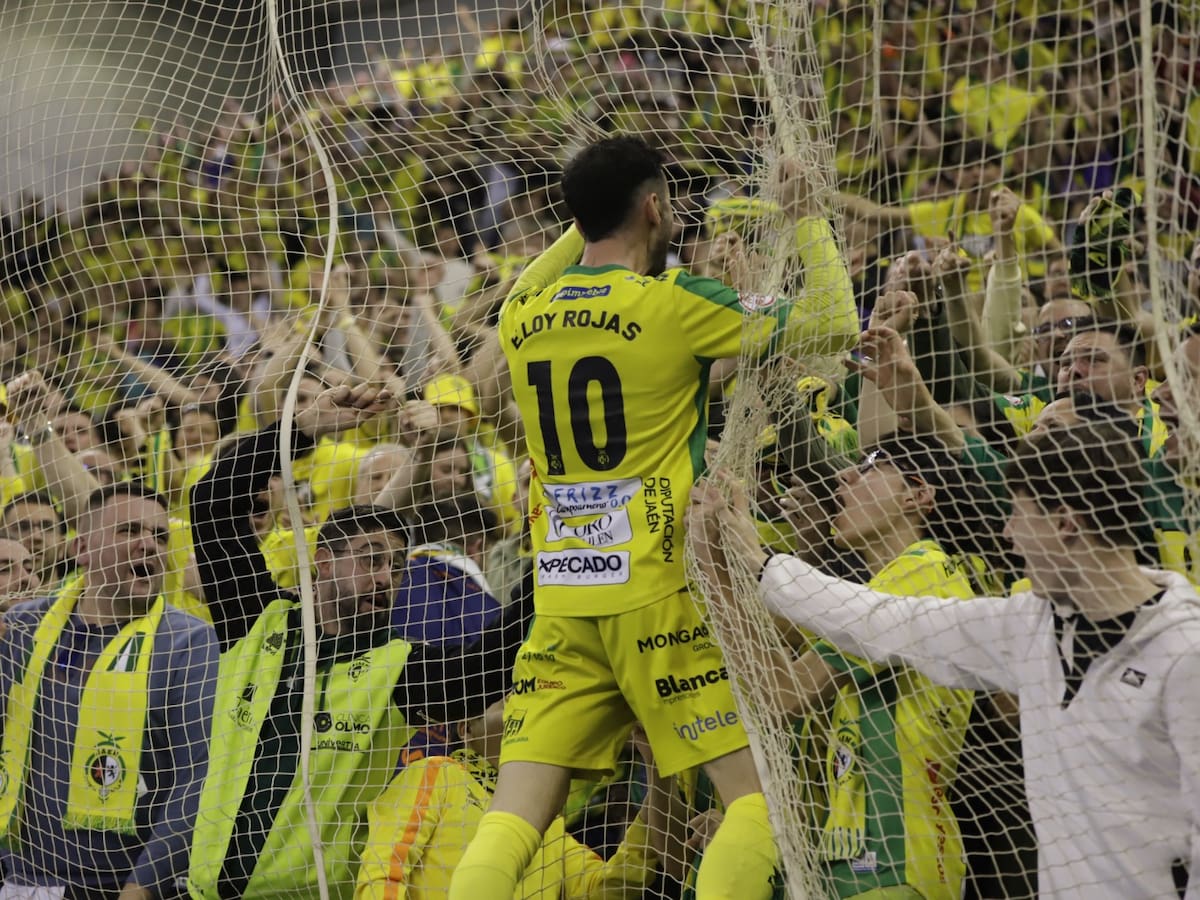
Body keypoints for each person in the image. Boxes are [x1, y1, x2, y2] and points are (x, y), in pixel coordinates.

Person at [450, 134, 816, 900]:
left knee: (510, 822)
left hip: (562, 596)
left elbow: (538, 279)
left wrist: (589, 212)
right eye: (667, 202)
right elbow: (832, 320)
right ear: (654, 207)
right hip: (658, 588)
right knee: (758, 801)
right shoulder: (676, 304)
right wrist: (807, 220)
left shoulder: (522, 316)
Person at [691, 421, 1200, 899]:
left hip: (903, 859)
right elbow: (882, 619)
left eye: (1020, 515)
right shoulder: (1027, 625)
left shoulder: (1185, 652)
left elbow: (786, 688)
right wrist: (759, 564)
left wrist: (733, 568)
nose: (1008, 536)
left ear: (1065, 523)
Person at [186, 381, 533, 899]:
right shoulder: (254, 619)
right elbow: (213, 500)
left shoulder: (396, 666)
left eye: (396, 567)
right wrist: (298, 432)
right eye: (371, 558)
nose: (385, 578)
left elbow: (489, 665)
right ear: (322, 563)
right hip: (204, 891)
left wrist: (558, 556)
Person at [0, 482, 219, 899]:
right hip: (23, 881)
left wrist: (142, 886)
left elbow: (197, 778)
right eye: (129, 531)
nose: (148, 546)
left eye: (159, 536)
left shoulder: (191, 643)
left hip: (129, 887)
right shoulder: (24, 625)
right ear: (80, 548)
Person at [356, 702, 685, 900]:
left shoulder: (546, 821)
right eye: (506, 701)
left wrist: (657, 768)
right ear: (466, 729)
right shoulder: (437, 773)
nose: (519, 708)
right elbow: (384, 872)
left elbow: (608, 888)